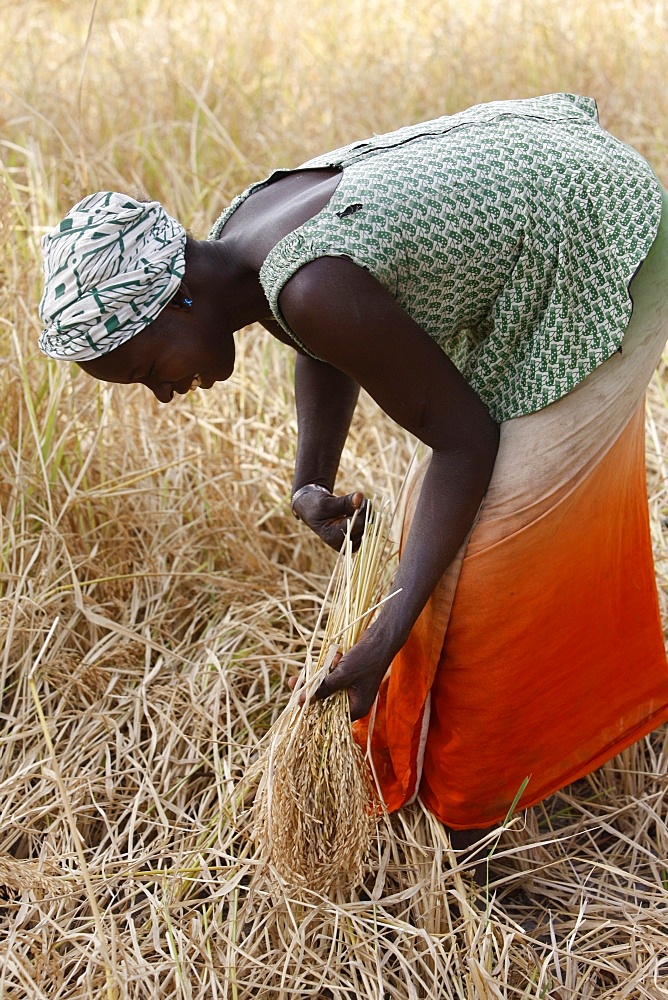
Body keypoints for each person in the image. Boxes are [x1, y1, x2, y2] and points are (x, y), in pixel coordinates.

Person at [38, 93, 668, 849]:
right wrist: (312, 476)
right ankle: (576, 725)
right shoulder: (247, 238)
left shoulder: (310, 285)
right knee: (468, 549)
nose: (166, 393)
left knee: (484, 563)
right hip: (559, 215)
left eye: (149, 369)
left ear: (178, 301)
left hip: (609, 240)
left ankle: (496, 800)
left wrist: (386, 634)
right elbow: (314, 337)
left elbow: (463, 441)